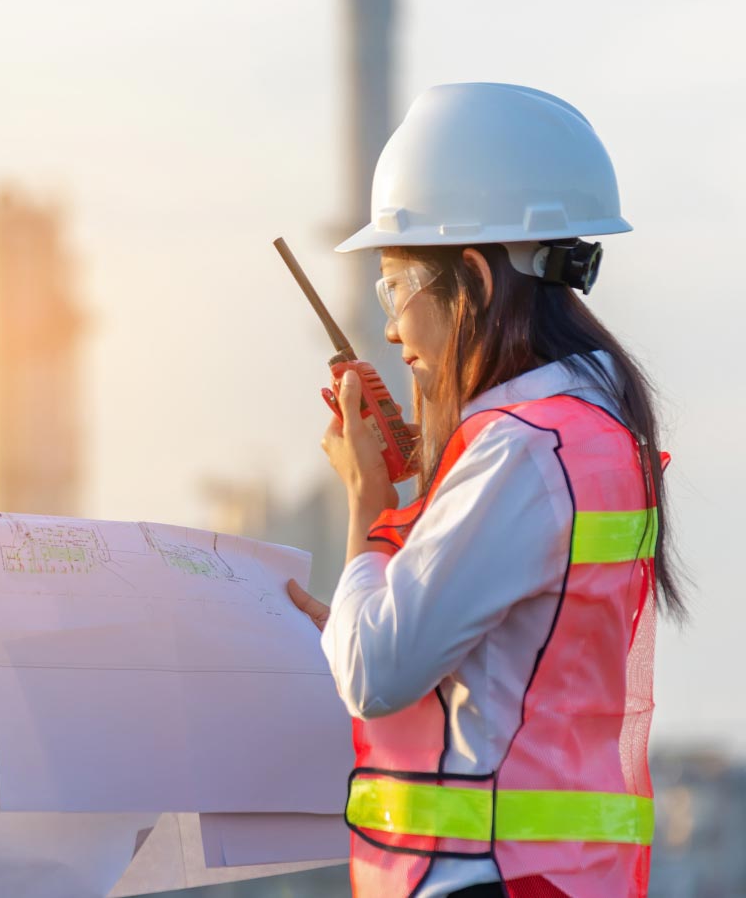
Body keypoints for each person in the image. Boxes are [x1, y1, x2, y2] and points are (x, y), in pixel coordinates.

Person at [283, 83, 688, 898]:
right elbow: (526, 670)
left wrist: (368, 500)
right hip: (564, 879)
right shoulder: (597, 438)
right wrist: (375, 604)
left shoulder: (518, 452)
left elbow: (375, 672)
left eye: (395, 286)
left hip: (486, 878)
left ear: (469, 273)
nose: (391, 330)